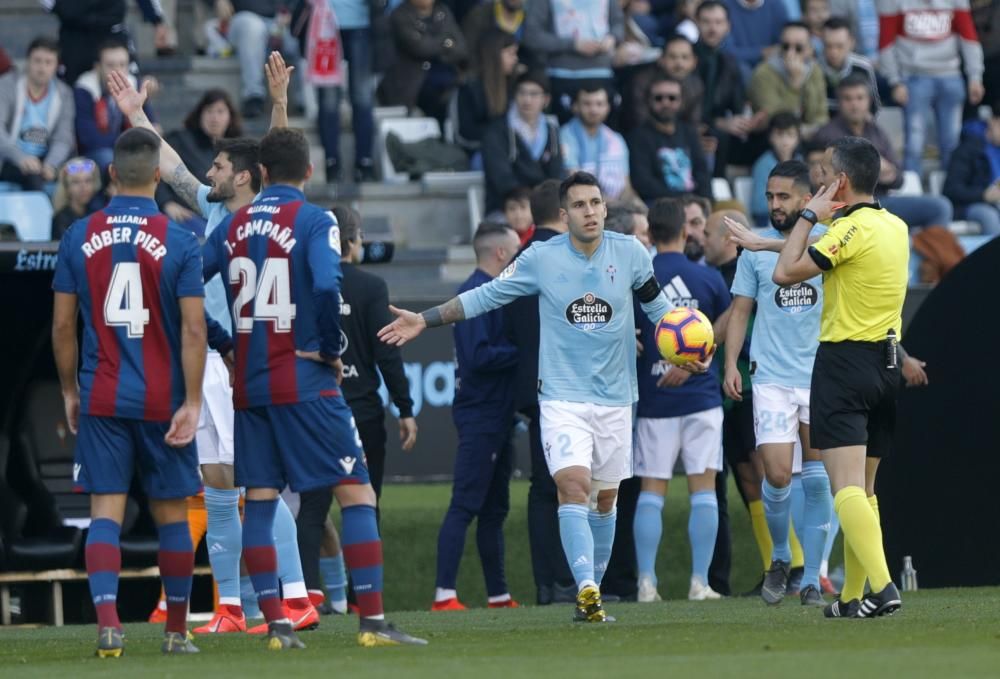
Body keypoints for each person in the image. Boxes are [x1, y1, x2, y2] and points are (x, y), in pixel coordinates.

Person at [380, 171, 713, 622]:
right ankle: (588, 591)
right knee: (572, 486)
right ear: (564, 214)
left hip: (617, 397)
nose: (590, 211)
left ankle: (588, 589)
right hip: (561, 396)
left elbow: (659, 312)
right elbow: (487, 296)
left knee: (606, 500)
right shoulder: (540, 256)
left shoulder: (631, 252)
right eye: (580, 205)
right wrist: (427, 318)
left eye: (595, 202)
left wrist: (687, 350)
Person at [108, 54, 319, 636]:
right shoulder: (214, 207)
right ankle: (234, 605)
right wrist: (137, 112)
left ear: (248, 176)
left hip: (239, 358)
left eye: (222, 164)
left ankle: (295, 595)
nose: (212, 170)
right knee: (222, 489)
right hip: (209, 361)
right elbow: (172, 166)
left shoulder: (266, 209)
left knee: (248, 484)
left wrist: (278, 102)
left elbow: (279, 155)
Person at [203, 127, 426, 648]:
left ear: (259, 174)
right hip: (305, 384)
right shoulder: (314, 220)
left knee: (257, 501)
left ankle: (277, 626)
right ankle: (371, 624)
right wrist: (330, 347)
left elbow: (185, 281)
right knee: (357, 493)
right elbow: (328, 284)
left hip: (251, 386)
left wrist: (224, 341)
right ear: (308, 171)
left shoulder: (234, 224)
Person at [728, 136, 908, 618]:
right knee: (865, 490)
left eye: (827, 173)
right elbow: (814, 252)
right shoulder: (893, 225)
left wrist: (808, 216)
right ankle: (851, 598)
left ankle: (884, 586)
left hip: (844, 364)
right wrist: (763, 241)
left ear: (842, 182)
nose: (821, 181)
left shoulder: (843, 232)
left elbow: (786, 272)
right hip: (887, 365)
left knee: (842, 486)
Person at [51, 127, 209, 657]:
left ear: (112, 174)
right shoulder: (182, 241)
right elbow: (194, 330)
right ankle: (175, 632)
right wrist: (192, 401)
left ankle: (109, 628)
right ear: (159, 176)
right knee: (171, 519)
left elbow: (62, 328)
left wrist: (70, 391)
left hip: (103, 396)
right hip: (163, 401)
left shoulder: (77, 236)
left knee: (105, 515)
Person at [295, 204, 416, 615]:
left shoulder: (305, 282)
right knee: (365, 504)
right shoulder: (370, 286)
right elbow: (387, 353)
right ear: (350, 240)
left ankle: (306, 596)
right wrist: (405, 407)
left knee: (312, 507)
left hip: (313, 408)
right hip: (362, 412)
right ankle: (367, 598)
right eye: (360, 236)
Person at [723, 160, 833, 606]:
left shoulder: (828, 240)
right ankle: (781, 558)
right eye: (769, 197)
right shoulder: (752, 252)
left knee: (819, 477)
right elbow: (741, 311)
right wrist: (731, 362)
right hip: (769, 376)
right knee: (777, 473)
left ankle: (812, 577)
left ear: (806, 201)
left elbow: (802, 247)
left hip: (819, 375)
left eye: (783, 197)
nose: (774, 204)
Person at [632, 197, 731, 603]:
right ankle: (699, 583)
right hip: (701, 397)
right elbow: (731, 318)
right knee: (703, 489)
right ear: (685, 232)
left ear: (650, 234)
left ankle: (646, 583)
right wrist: (700, 358)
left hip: (655, 399)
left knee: (652, 491)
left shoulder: (638, 279)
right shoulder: (706, 279)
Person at [433, 222, 522, 611]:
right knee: (465, 503)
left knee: (494, 508)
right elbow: (478, 357)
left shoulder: (494, 293)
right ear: (500, 254)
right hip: (480, 414)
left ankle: (498, 594)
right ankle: (444, 594)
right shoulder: (473, 294)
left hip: (499, 414)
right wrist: (523, 353)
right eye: (516, 253)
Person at [502, 179, 575, 606]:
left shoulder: (519, 259)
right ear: (563, 212)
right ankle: (571, 581)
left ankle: (548, 584)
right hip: (568, 382)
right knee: (571, 485)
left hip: (532, 384)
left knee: (542, 486)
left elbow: (509, 325)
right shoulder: (565, 257)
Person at [703, 209, 773, 592]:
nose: (703, 241)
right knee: (747, 480)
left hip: (754, 385)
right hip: (727, 391)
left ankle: (797, 564)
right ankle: (772, 567)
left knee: (768, 476)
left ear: (729, 238)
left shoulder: (756, 268)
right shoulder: (714, 277)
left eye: (709, 234)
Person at [812, 75, 955, 231]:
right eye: (848, 99)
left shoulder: (877, 132)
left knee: (941, 207)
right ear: (839, 102)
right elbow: (817, 176)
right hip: (845, 206)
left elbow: (899, 178)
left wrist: (890, 174)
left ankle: (930, 252)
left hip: (881, 201)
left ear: (869, 101)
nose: (854, 104)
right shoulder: (826, 134)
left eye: (860, 98)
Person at [878, 0, 985, 173]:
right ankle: (913, 193)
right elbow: (885, 43)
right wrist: (895, 81)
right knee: (914, 143)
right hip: (913, 77)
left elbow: (969, 38)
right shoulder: (893, 2)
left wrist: (975, 77)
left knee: (951, 143)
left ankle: (950, 190)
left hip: (950, 75)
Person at [523, 0, 624, 123]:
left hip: (601, 74)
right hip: (562, 76)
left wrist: (612, 38)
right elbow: (531, 36)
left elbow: (618, 24)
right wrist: (573, 45)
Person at [157, 89, 243, 233]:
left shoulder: (239, 148)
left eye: (220, 112)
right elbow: (157, 168)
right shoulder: (180, 140)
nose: (214, 118)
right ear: (200, 114)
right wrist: (166, 203)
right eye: (209, 111)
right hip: (186, 216)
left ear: (230, 116)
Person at [694, 1, 763, 177]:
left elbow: (738, 106)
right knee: (718, 135)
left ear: (728, 26)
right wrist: (719, 123)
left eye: (718, 22)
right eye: (707, 21)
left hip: (722, 131)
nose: (712, 28)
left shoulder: (729, 63)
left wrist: (749, 121)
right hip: (693, 128)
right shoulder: (686, 57)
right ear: (696, 22)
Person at [481, 70, 564, 215]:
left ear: (546, 99)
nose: (527, 100)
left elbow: (557, 174)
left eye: (533, 94)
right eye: (522, 93)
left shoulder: (552, 130)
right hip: (507, 209)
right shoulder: (497, 130)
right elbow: (502, 178)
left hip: (544, 209)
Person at [0, 37, 75, 193]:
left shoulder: (64, 94)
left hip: (46, 160)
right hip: (10, 158)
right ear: (28, 61)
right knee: (33, 177)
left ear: (56, 66)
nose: (42, 68)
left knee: (82, 174)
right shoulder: (7, 85)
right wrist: (20, 158)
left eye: (48, 62)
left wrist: (51, 164)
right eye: (37, 61)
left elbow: (63, 137)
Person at [377, 0, 468, 130]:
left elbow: (462, 49)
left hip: (447, 75)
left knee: (464, 92)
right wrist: (447, 43)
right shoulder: (400, 15)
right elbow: (421, 48)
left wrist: (437, 45)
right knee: (437, 96)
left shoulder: (443, 11)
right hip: (412, 82)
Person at [316, 0, 378, 183]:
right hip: (324, 23)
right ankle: (331, 161)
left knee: (363, 97)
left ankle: (364, 161)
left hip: (361, 25)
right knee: (328, 99)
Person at [74, 40, 158, 174]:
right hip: (92, 156)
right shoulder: (84, 89)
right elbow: (89, 139)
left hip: (129, 150)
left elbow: (153, 128)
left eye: (122, 64)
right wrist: (131, 142)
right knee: (109, 159)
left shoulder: (134, 85)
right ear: (97, 67)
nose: (118, 71)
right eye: (110, 65)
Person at [627, 74, 712, 205]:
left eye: (672, 98)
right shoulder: (638, 137)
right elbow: (643, 182)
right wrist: (682, 200)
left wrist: (704, 202)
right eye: (658, 98)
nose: (665, 103)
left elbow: (702, 172)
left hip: (694, 203)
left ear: (681, 101)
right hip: (661, 205)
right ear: (649, 101)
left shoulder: (689, 132)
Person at [45, 0, 168, 85]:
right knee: (73, 88)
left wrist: (156, 20)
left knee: (127, 84)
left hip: (112, 30)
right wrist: (62, 7)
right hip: (74, 33)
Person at [214, 0, 297, 119]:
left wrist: (292, 13)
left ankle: (306, 103)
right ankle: (253, 95)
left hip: (281, 21)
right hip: (243, 18)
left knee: (304, 32)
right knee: (253, 27)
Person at [748, 22, 829, 137]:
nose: (790, 53)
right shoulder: (763, 73)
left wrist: (806, 130)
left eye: (798, 48)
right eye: (786, 46)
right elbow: (777, 121)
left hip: (810, 135)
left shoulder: (815, 70)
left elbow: (821, 115)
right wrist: (794, 85)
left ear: (810, 50)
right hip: (775, 138)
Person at [560, 85, 636, 203]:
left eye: (599, 104)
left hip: (617, 208)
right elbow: (575, 181)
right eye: (587, 104)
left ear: (608, 107)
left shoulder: (616, 139)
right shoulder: (565, 135)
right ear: (575, 106)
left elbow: (627, 187)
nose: (593, 110)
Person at [455, 30, 521, 160]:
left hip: (508, 149)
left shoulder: (513, 85)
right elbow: (465, 133)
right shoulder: (469, 88)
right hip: (478, 152)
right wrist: (500, 134)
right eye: (510, 53)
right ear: (494, 55)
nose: (516, 59)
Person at [943, 107, 1000, 236]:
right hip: (968, 206)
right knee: (989, 216)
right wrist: (984, 195)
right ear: (993, 121)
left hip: (994, 204)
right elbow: (951, 189)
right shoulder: (967, 149)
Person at [818, 17, 879, 117]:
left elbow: (873, 108)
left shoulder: (863, 67)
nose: (834, 52)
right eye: (828, 45)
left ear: (851, 43)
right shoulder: (813, 68)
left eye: (839, 46)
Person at [751, 112, 801, 227]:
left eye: (790, 135)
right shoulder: (763, 165)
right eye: (779, 134)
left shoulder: (800, 162)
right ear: (770, 137)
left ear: (798, 138)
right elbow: (758, 206)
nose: (785, 141)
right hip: (768, 221)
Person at [722, 0, 789, 78]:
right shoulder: (724, 5)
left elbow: (785, 42)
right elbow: (726, 51)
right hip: (737, 69)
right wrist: (762, 52)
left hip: (772, 64)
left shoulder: (777, 5)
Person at [51, 158, 102, 240]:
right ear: (67, 188)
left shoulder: (98, 214)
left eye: (88, 181)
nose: (83, 187)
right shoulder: (60, 219)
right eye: (76, 182)